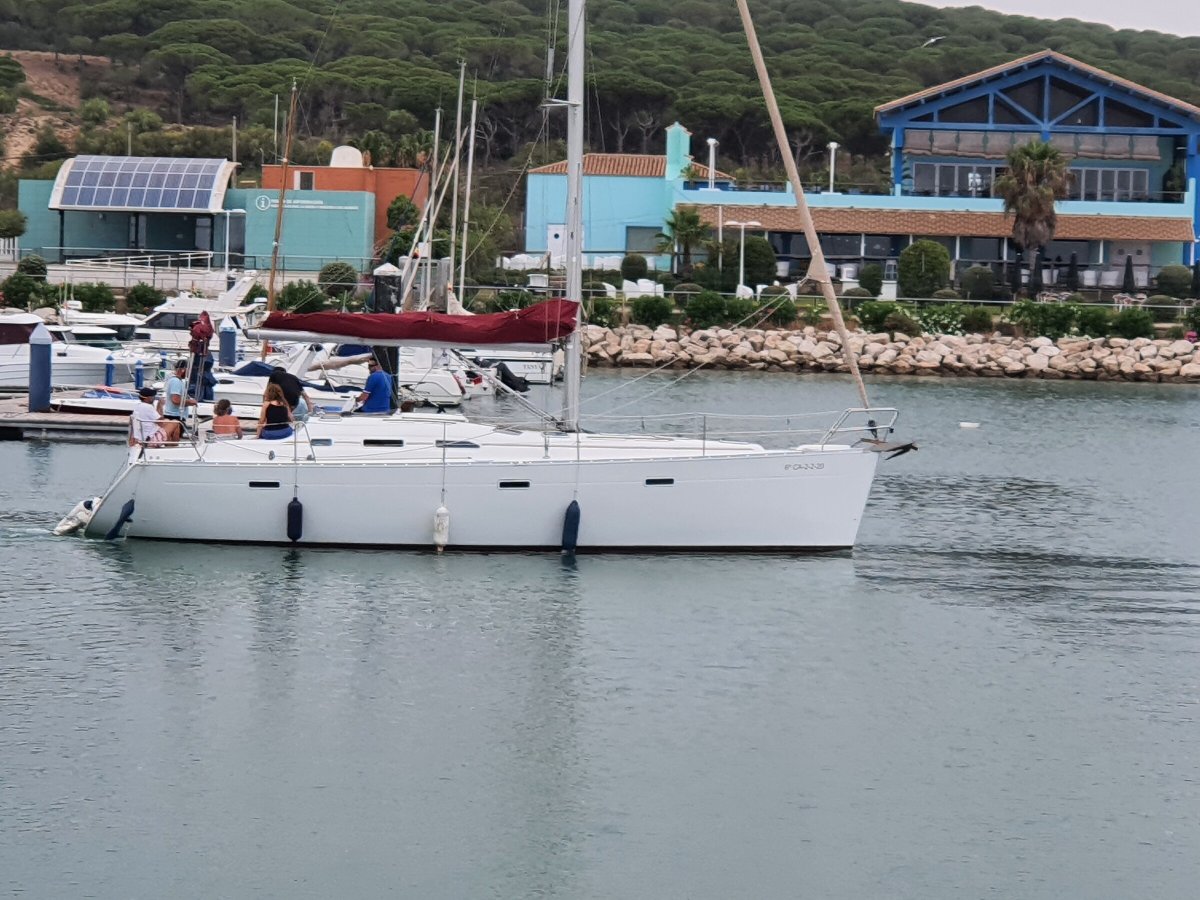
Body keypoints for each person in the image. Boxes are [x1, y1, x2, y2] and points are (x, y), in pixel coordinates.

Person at [160, 359, 196, 425]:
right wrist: (190, 402)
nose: (190, 373)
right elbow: (175, 400)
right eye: (189, 370)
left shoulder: (177, 380)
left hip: (176, 416)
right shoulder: (175, 381)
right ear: (183, 369)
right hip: (174, 417)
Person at [188, 311, 214, 397]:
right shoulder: (206, 354)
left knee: (197, 378)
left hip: (198, 381)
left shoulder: (200, 353)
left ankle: (196, 396)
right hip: (202, 378)